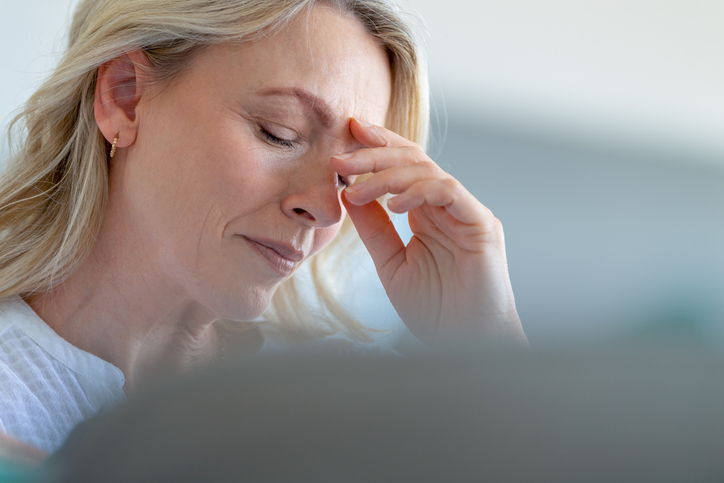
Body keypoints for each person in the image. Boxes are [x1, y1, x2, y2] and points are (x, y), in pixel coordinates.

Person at [0, 0, 528, 458]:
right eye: (280, 134)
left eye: (350, 173)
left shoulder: (338, 402)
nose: (326, 209)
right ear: (124, 96)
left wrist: (487, 345)